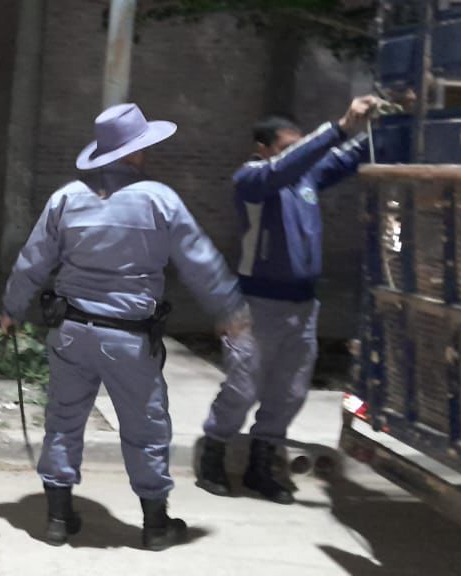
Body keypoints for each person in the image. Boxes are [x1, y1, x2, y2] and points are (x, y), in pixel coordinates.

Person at [1, 103, 249, 551]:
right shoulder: (159, 199)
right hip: (129, 338)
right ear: (136, 153)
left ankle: (58, 519)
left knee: (63, 419)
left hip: (71, 332)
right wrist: (229, 309)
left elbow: (33, 260)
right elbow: (200, 261)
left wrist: (12, 309)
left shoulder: (66, 199)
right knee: (145, 426)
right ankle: (155, 525)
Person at [197, 96, 380, 504]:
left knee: (290, 390)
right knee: (243, 387)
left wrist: (383, 122)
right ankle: (214, 450)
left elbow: (350, 157)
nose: (295, 154)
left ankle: (263, 463)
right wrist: (339, 126)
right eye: (286, 147)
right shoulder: (252, 179)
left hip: (303, 305)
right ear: (262, 148)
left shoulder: (306, 179)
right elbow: (286, 167)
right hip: (256, 304)